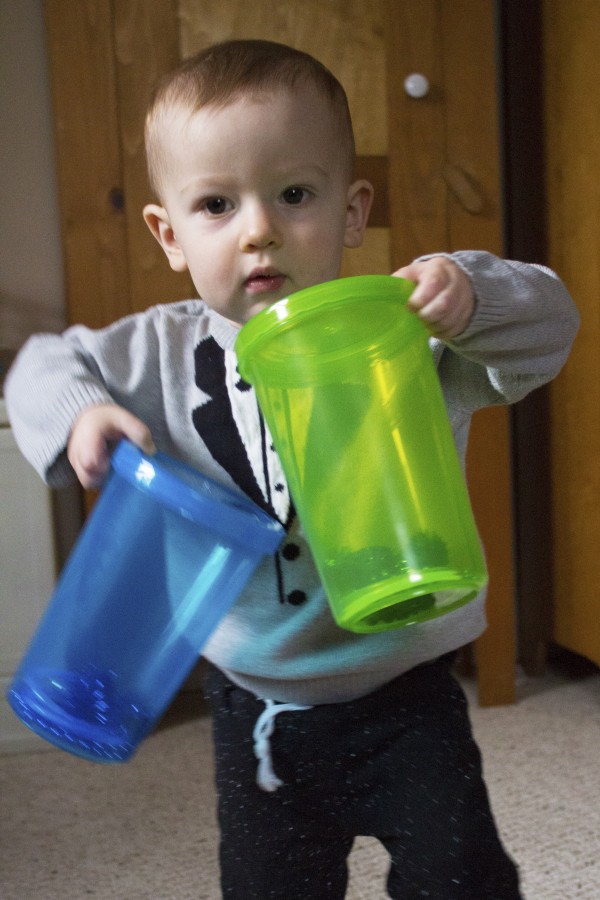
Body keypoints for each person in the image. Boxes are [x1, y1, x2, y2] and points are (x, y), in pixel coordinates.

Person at [6, 39, 578, 899]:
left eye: (295, 194)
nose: (259, 227)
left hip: (405, 695)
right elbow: (38, 364)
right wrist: (81, 415)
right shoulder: (157, 351)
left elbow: (551, 327)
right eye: (215, 204)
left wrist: (474, 295)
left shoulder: (406, 332)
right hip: (253, 708)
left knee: (462, 877)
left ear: (353, 214)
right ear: (168, 233)